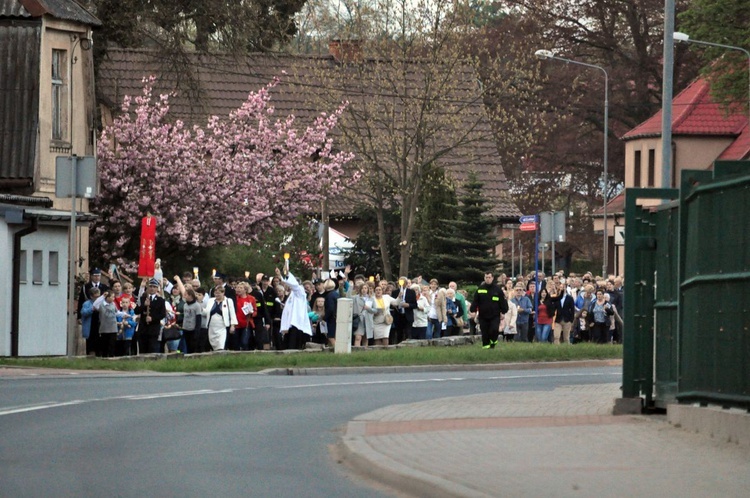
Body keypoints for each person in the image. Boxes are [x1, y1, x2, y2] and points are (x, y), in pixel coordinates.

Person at [276, 267, 313, 350]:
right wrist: (280, 276)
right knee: (288, 342)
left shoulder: (300, 291)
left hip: (297, 322)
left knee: (295, 342)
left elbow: (294, 285)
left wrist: (287, 273)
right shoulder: (292, 294)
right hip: (290, 323)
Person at [470, 272, 509, 349]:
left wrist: (503, 312)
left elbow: (502, 302)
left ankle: (493, 343)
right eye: (486, 277)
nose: (488, 279)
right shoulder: (480, 289)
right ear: (484, 278)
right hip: (483, 316)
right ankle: (486, 348)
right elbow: (475, 301)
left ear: (492, 278)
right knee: (484, 332)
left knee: (494, 330)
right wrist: (473, 310)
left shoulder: (497, 290)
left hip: (494, 316)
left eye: (489, 277)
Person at [203, 285, 237, 351]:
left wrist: (233, 325)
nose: (217, 295)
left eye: (219, 293)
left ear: (223, 293)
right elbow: (206, 312)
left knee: (221, 344)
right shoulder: (210, 301)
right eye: (215, 293)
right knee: (213, 344)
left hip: (222, 327)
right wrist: (200, 308)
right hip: (212, 327)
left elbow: (232, 314)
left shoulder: (228, 301)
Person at [180, 288, 203, 354]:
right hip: (185, 328)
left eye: (186, 295)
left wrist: (197, 331)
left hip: (192, 329)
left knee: (192, 346)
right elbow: (185, 316)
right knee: (186, 346)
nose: (184, 296)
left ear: (190, 296)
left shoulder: (197, 306)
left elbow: (198, 319)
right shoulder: (185, 305)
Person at [80, 287, 101, 355]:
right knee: (90, 345)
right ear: (91, 296)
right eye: (96, 297)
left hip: (99, 326)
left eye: (99, 296)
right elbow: (83, 312)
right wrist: (92, 309)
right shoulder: (87, 303)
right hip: (90, 327)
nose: (97, 299)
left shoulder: (101, 303)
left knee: (99, 345)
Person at [323, 279, 339, 349]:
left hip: (331, 318)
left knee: (330, 336)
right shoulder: (336, 294)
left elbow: (330, 308)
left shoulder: (329, 296)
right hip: (337, 316)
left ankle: (337, 349)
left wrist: (325, 318)